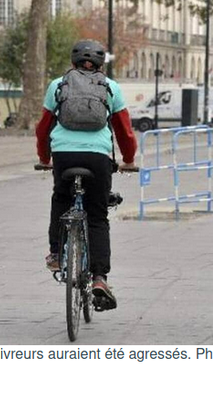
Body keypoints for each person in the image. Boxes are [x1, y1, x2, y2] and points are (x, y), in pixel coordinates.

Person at [35, 39, 137, 311]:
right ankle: (100, 278)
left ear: (73, 62)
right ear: (101, 64)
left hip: (64, 154)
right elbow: (124, 131)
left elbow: (43, 128)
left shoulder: (57, 85)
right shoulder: (110, 87)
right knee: (98, 215)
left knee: (61, 197)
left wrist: (45, 158)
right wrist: (128, 160)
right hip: (98, 156)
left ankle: (57, 253)